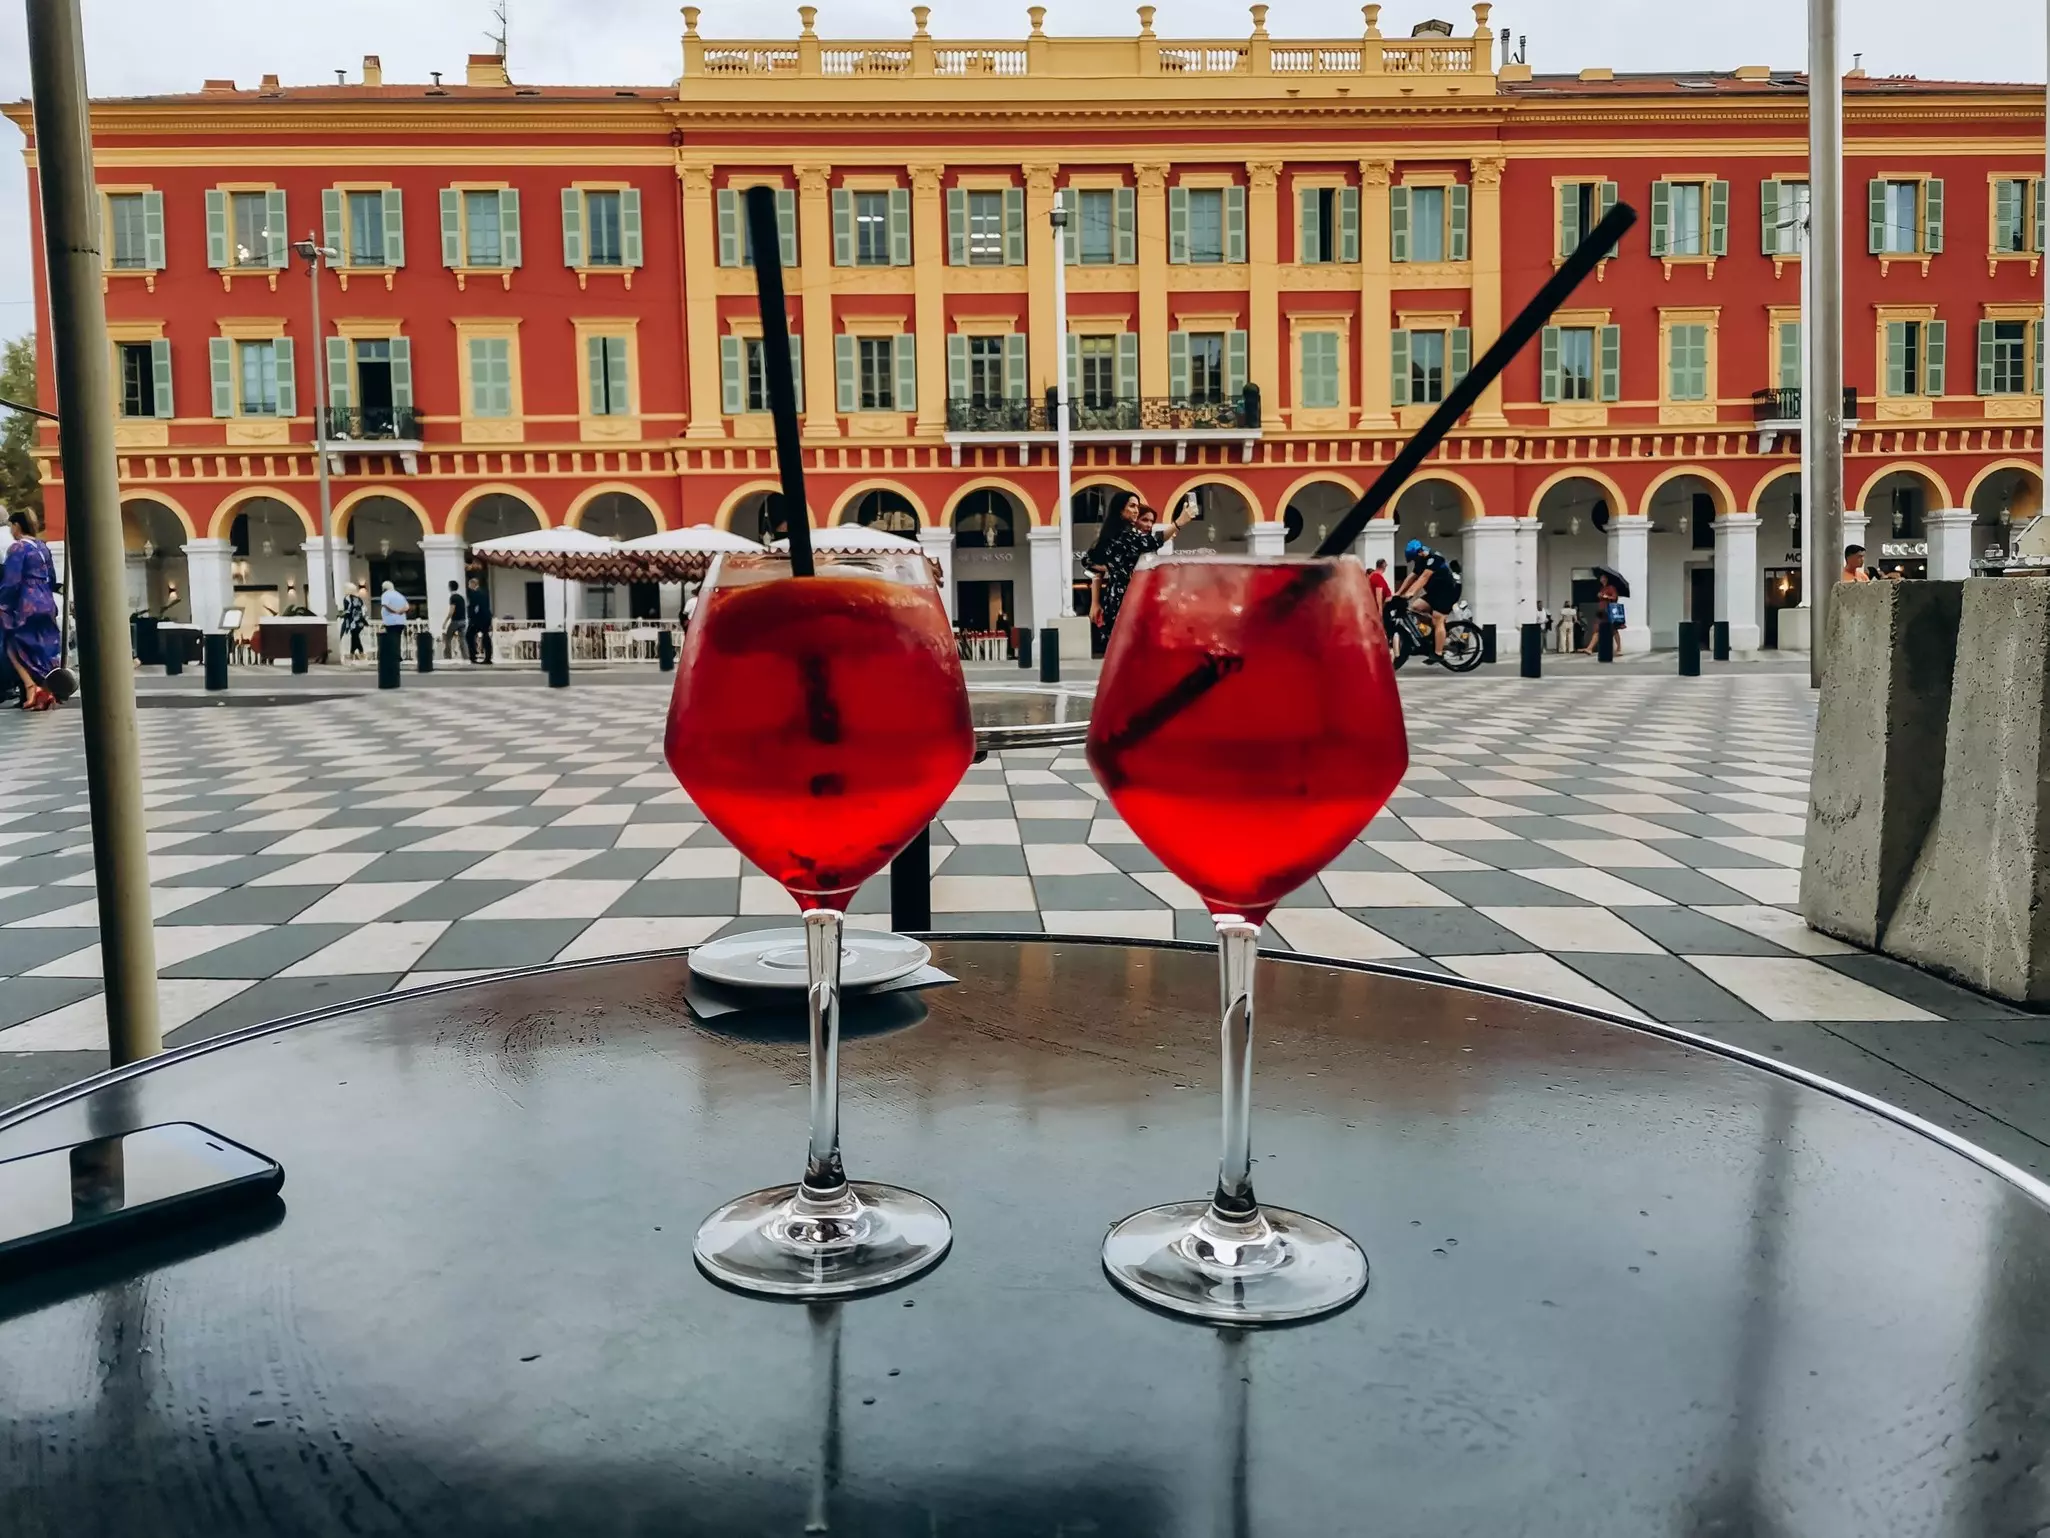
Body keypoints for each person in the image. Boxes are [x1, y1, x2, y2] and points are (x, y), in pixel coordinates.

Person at [1085, 489, 1197, 637]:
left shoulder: (1113, 536)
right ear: (1120, 509)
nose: (1135, 511)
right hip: (1128, 600)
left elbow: (1089, 562)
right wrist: (1178, 522)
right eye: (1132, 506)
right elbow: (1153, 541)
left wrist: (1114, 567)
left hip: (1122, 600)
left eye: (1137, 507)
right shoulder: (1125, 536)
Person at [0, 508, 64, 711]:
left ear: (17, 526)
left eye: (11, 526)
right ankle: (47, 690)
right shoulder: (41, 546)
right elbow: (52, 577)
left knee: (13, 644)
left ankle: (31, 687)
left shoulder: (18, 548)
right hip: (45, 600)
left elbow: (12, 581)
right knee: (41, 647)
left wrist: (3, 603)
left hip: (26, 603)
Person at [1393, 538, 1460, 663]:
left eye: (1413, 558)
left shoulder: (1434, 558)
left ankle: (1438, 653)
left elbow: (1423, 578)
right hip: (1435, 592)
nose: (1413, 561)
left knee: (1438, 618)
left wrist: (1410, 593)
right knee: (1415, 607)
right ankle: (1438, 630)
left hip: (1448, 591)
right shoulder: (1420, 560)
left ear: (1419, 553)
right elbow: (1411, 577)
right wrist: (1398, 593)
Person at [1579, 575, 1625, 656]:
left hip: (1609, 612)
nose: (1602, 579)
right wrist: (1600, 595)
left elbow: (1614, 597)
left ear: (1607, 579)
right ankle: (1589, 648)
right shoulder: (1602, 589)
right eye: (1601, 578)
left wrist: (1605, 596)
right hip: (1602, 612)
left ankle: (1619, 648)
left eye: (1604, 578)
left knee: (1614, 630)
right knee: (1597, 629)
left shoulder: (1611, 587)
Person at [464, 573, 494, 664]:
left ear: (473, 584)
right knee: (485, 636)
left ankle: (473, 656)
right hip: (486, 618)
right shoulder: (484, 592)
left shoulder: (476, 593)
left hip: (478, 619)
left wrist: (471, 618)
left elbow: (474, 606)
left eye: (470, 585)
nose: (469, 587)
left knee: (469, 635)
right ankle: (487, 657)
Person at [340, 583, 367, 659]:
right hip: (360, 621)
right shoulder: (359, 599)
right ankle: (357, 653)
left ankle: (356, 653)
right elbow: (364, 609)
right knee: (355, 637)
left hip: (353, 622)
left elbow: (347, 611)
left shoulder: (347, 598)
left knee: (355, 637)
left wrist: (342, 616)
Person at [441, 579, 466, 660]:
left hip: (455, 621)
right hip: (463, 621)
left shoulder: (453, 597)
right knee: (462, 640)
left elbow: (452, 611)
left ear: (450, 587)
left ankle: (448, 657)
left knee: (448, 638)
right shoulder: (461, 597)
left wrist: (445, 621)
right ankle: (466, 656)